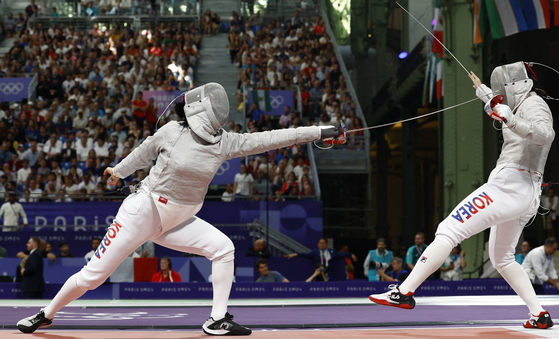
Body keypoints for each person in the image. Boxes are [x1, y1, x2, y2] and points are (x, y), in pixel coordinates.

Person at [17, 82, 342, 335]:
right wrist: (117, 172)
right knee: (94, 277)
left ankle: (216, 320)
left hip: (177, 221)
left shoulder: (226, 143)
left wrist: (320, 131)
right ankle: (46, 314)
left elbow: (275, 137)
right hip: (141, 212)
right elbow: (144, 152)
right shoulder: (172, 131)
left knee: (223, 249)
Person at [369, 63, 555, 330]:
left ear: (516, 86)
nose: (499, 93)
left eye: (503, 87)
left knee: (449, 229)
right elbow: (496, 103)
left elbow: (546, 134)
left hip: (511, 184)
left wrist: (511, 119)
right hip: (524, 191)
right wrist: (481, 89)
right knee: (502, 257)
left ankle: (404, 292)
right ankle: (538, 314)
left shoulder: (533, 105)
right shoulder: (517, 104)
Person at [285, 237, 357, 275]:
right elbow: (304, 254)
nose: (322, 244)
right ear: (318, 244)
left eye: (324, 243)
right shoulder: (315, 252)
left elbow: (342, 254)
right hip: (318, 274)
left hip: (330, 274)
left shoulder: (332, 252)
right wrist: (294, 254)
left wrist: (351, 254)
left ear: (326, 244)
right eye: (320, 243)